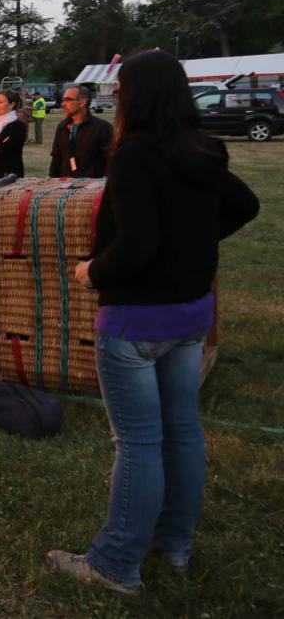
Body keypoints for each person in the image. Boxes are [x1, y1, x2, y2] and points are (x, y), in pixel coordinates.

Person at [45, 50, 259, 596]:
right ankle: (174, 545)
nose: (114, 97)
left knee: (137, 443)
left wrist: (92, 270)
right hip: (190, 317)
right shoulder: (206, 150)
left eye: (122, 89)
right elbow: (244, 205)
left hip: (136, 322)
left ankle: (115, 563)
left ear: (137, 96)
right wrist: (192, 246)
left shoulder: (134, 155)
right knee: (182, 431)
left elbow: (136, 246)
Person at [48, 84, 113, 178]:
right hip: (65, 187)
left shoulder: (102, 128)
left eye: (68, 100)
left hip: (92, 188)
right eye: (63, 100)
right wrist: (51, 180)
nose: (63, 104)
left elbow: (111, 160)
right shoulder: (62, 127)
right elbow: (57, 158)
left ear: (82, 102)